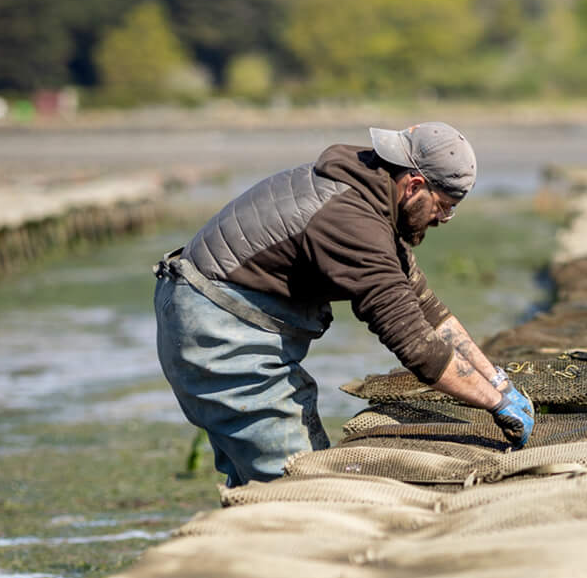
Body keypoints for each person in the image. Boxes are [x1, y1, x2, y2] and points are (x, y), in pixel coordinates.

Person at [153, 121, 535, 486]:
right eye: (444, 205)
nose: (443, 218)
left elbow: (427, 308)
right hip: (219, 332)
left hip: (223, 314)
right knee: (299, 480)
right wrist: (495, 404)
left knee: (263, 482)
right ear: (414, 185)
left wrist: (498, 381)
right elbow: (417, 345)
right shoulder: (353, 221)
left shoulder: (372, 193)